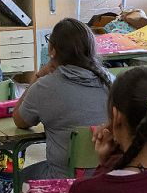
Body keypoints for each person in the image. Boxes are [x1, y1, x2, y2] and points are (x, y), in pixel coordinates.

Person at [13, 18, 113, 179]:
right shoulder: (112, 81)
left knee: (20, 177)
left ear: (52, 50)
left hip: (62, 180)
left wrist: (38, 76)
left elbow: (19, 120)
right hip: (106, 176)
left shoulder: (44, 87)